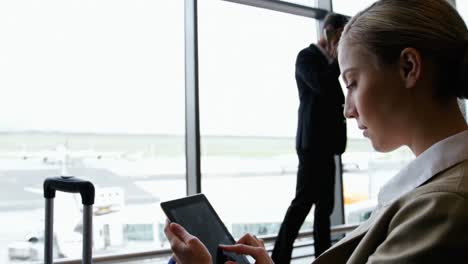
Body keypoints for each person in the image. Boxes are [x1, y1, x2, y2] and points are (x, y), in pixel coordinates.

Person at [164, 0, 468, 262]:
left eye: (352, 83)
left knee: (318, 206)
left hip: (322, 146)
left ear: (408, 68)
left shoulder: (443, 208)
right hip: (314, 145)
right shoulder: (434, 192)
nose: (349, 109)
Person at [272, 13, 348, 263]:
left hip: (328, 147)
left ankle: (323, 258)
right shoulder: (306, 57)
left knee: (324, 210)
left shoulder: (328, 63)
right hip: (311, 144)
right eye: (340, 34)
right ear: (330, 32)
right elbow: (322, 86)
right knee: (302, 203)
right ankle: (278, 257)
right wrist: (337, 59)